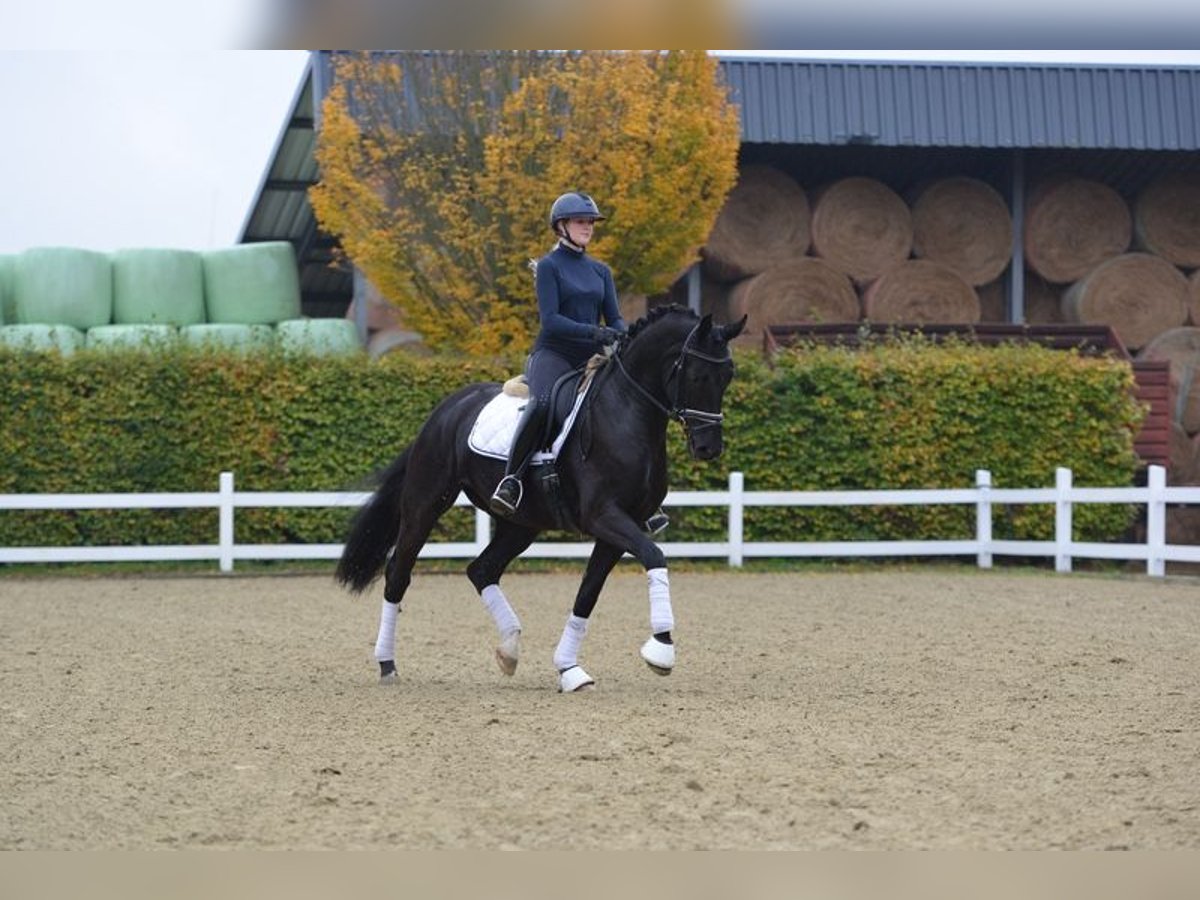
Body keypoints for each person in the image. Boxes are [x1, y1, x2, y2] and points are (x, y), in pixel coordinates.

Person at [489, 191, 627, 516]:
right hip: (554, 353)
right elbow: (551, 321)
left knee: (624, 406)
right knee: (543, 404)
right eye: (581, 221)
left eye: (591, 222)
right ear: (561, 225)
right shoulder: (550, 267)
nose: (588, 227)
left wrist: (624, 332)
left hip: (591, 359)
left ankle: (638, 494)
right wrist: (594, 331)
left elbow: (615, 316)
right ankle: (512, 480)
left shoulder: (600, 271)